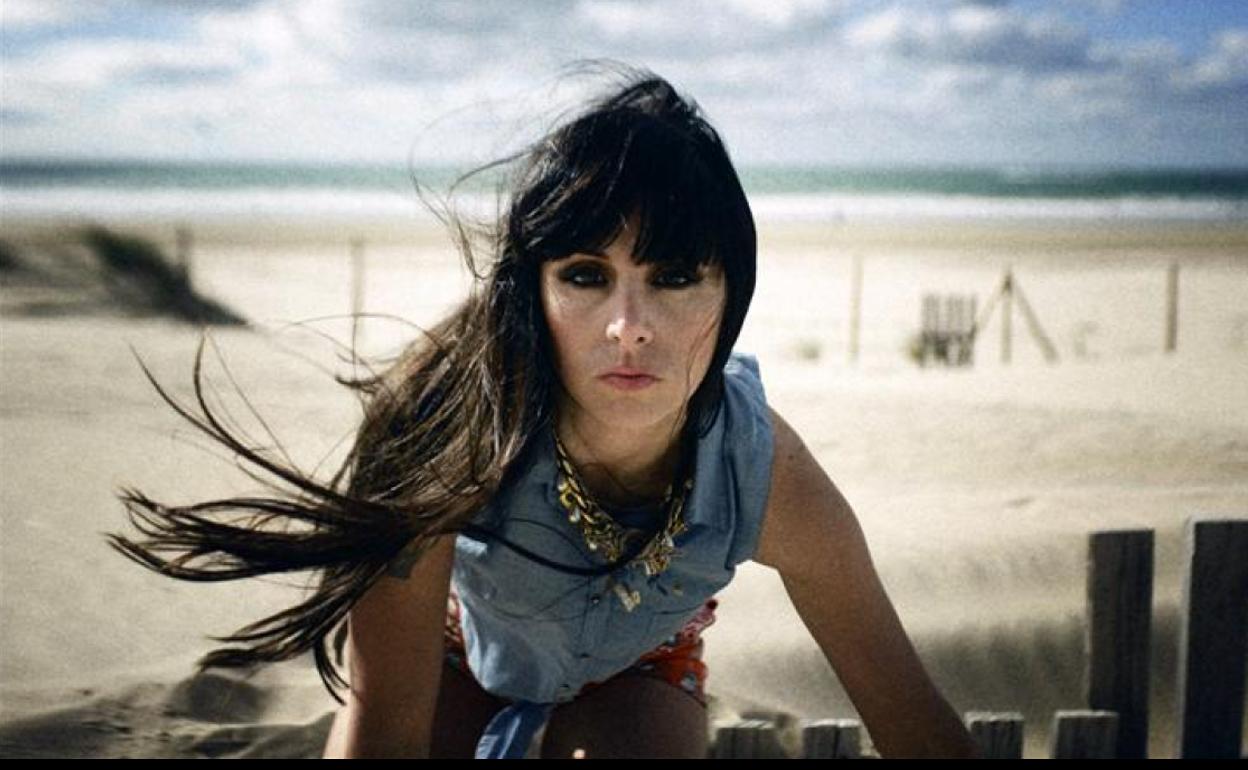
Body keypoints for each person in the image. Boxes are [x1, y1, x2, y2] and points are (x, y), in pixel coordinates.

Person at [111, 68, 978, 759]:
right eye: (585, 276)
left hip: (640, 663)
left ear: (731, 295)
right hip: (458, 650)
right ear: (534, 289)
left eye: (676, 276)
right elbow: (383, 735)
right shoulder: (440, 429)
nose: (629, 327)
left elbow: (914, 721)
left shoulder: (761, 470)